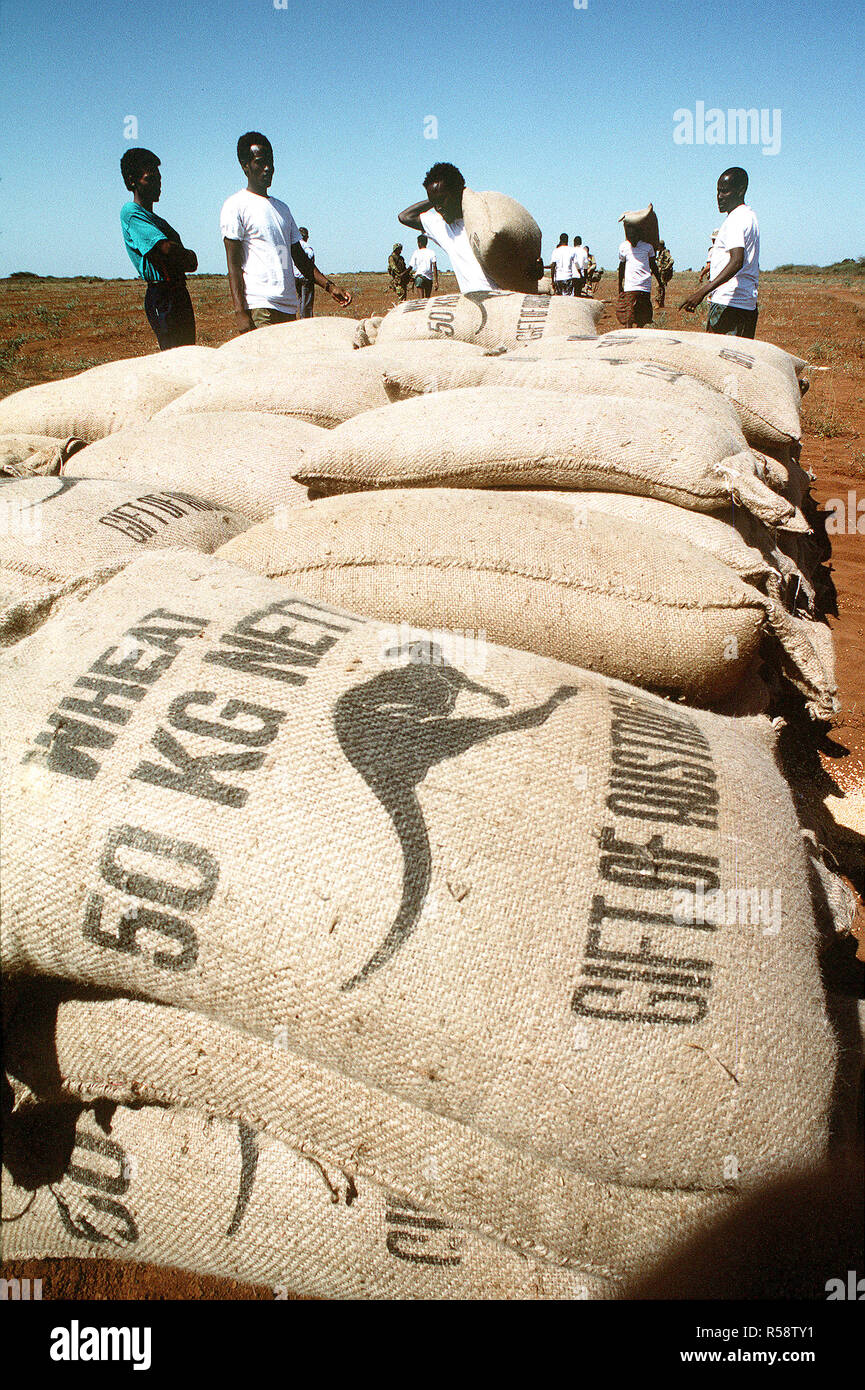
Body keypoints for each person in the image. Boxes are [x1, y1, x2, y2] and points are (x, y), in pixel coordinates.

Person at [220, 131, 351, 333]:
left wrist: (330, 287)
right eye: (260, 162)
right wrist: (241, 312)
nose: (268, 168)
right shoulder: (235, 205)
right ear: (245, 166)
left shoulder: (282, 209)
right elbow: (234, 265)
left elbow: (299, 257)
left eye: (271, 162)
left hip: (289, 306)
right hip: (260, 307)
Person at [119, 147, 197, 350]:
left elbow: (189, 261)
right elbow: (166, 250)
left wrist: (182, 255)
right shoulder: (131, 212)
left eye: (159, 179)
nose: (158, 184)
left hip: (178, 291)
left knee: (187, 352)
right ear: (132, 181)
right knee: (174, 353)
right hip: (162, 292)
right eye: (151, 178)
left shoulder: (158, 221)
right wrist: (183, 253)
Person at [680, 168, 760, 337]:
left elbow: (737, 261)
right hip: (745, 304)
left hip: (728, 303)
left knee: (717, 358)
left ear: (741, 190)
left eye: (725, 191)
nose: (719, 197)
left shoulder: (735, 220)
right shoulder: (749, 216)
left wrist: (702, 292)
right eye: (718, 191)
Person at [398, 162, 499, 293]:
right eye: (434, 202)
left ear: (457, 191)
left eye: (442, 199)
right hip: (475, 305)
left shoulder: (486, 218)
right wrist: (435, 197)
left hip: (505, 301)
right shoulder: (442, 226)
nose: (438, 208)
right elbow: (405, 216)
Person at [617, 221, 662, 327]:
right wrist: (619, 283)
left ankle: (638, 339)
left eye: (633, 235)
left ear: (639, 235)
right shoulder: (624, 247)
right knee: (628, 317)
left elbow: (653, 265)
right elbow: (622, 266)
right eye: (629, 235)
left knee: (642, 317)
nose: (631, 237)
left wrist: (660, 281)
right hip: (630, 286)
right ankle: (629, 338)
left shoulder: (648, 247)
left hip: (644, 286)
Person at [292, 226, 315, 319]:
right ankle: (306, 320)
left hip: (295, 277)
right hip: (305, 277)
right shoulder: (306, 246)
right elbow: (310, 257)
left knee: (301, 299)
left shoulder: (293, 246)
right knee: (307, 301)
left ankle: (301, 318)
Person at [408, 233, 439, 298]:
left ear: (419, 243)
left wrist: (403, 274)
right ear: (426, 242)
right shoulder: (431, 252)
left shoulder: (416, 252)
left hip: (419, 278)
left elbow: (410, 267)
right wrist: (436, 282)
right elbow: (434, 267)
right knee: (427, 298)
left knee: (421, 300)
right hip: (429, 279)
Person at [655, 240, 674, 307]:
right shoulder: (661, 252)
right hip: (660, 272)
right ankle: (661, 303)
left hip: (663, 273)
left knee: (659, 287)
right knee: (661, 287)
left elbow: (671, 261)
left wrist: (666, 268)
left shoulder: (665, 252)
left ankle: (658, 302)